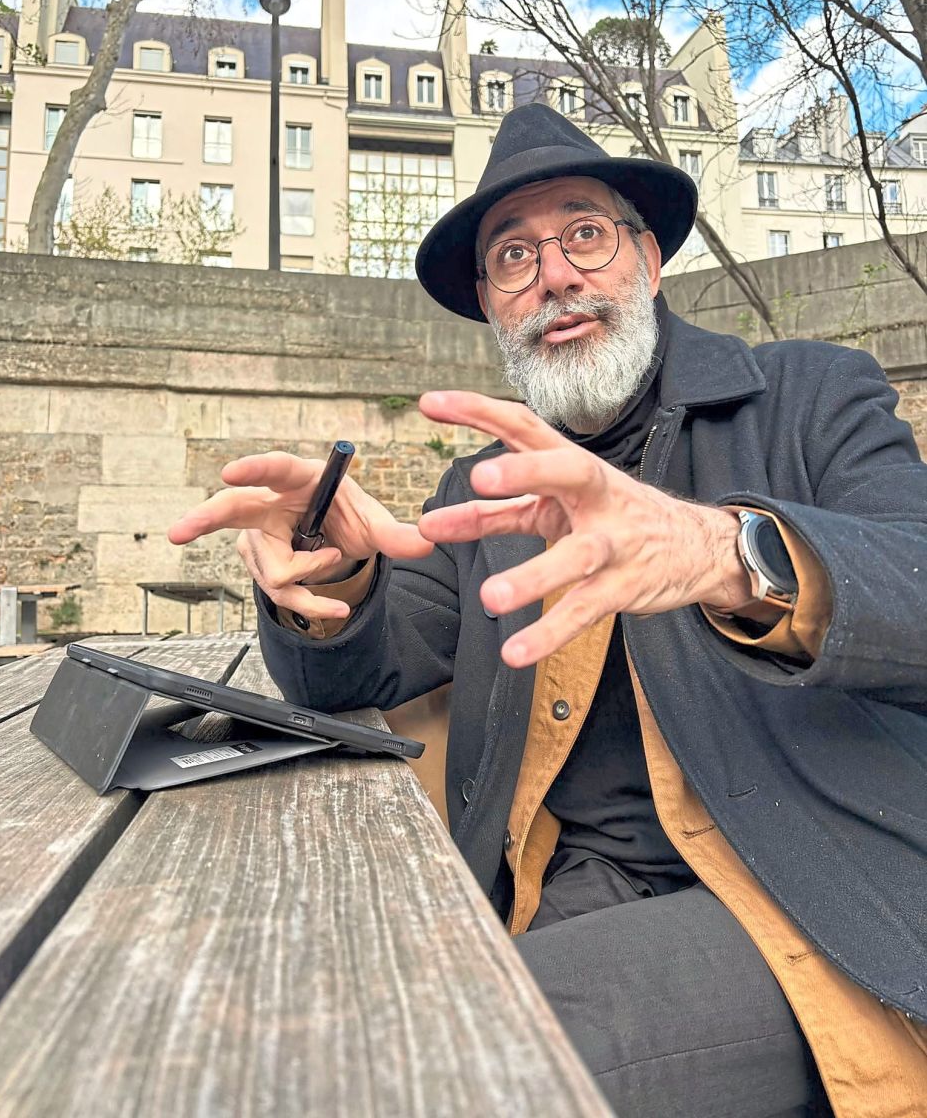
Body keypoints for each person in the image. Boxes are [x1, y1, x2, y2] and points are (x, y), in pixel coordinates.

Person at [169, 103, 927, 1117]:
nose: (556, 274)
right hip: (565, 884)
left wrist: (721, 552)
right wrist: (335, 579)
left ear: (647, 260)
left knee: (431, 1065)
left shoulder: (810, 398)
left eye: (584, 233)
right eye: (513, 257)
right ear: (491, 306)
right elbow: (355, 673)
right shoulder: (483, 489)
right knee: (265, 1018)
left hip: (808, 895)